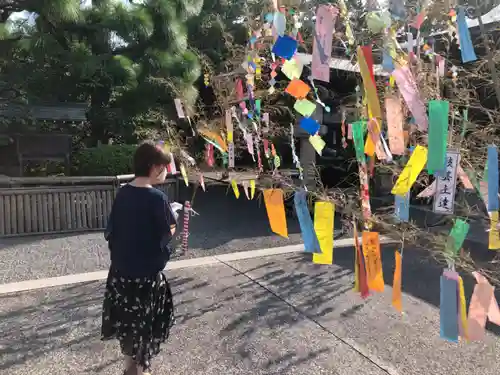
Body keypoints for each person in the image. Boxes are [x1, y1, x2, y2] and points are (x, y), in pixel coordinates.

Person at [101, 141, 177, 375]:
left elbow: (112, 232)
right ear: (154, 167)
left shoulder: (123, 193)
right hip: (146, 278)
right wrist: (175, 221)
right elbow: (167, 233)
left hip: (121, 274)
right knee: (144, 331)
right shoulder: (157, 198)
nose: (166, 171)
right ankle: (140, 371)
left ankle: (130, 368)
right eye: (165, 166)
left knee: (128, 327)